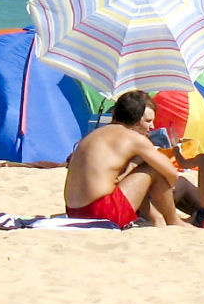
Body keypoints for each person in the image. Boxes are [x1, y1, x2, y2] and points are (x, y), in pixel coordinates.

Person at [62, 89, 182, 228]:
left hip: (74, 212)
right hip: (101, 213)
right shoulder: (134, 139)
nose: (152, 127)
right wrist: (168, 189)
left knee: (130, 174)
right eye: (148, 121)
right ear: (137, 120)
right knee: (152, 170)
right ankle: (174, 220)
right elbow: (171, 172)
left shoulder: (93, 135)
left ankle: (156, 219)